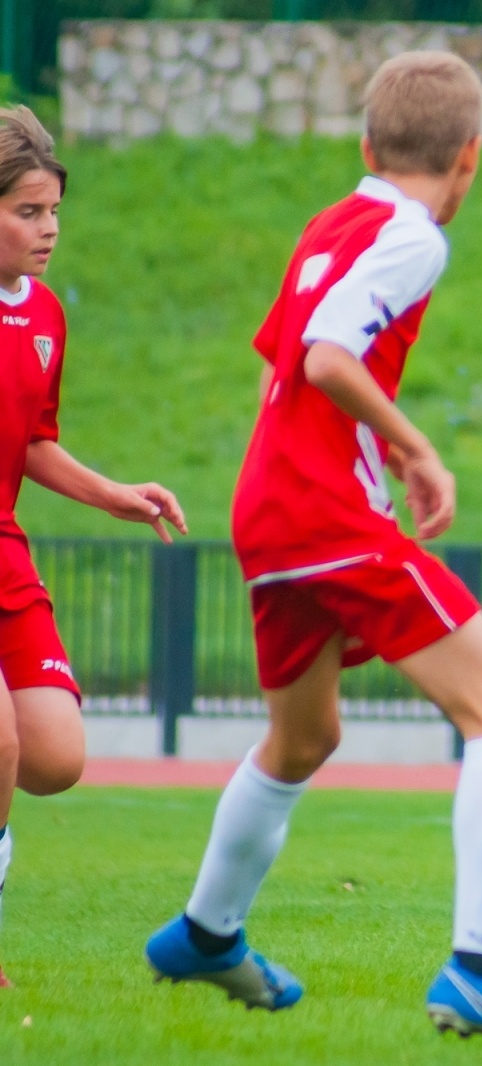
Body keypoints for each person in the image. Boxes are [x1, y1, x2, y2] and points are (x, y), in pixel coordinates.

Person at [143, 53, 482, 1059]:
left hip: (266, 506)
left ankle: (204, 934)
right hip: (323, 513)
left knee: (302, 739)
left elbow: (292, 356)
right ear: (469, 158)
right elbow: (326, 356)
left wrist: (384, 442)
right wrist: (419, 444)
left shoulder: (332, 221)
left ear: (365, 147)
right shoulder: (413, 234)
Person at [0, 106, 188, 990]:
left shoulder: (42, 315)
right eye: (28, 213)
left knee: (54, 758)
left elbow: (32, 440)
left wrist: (113, 493)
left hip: (6, 550)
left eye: (54, 212)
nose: (49, 231)